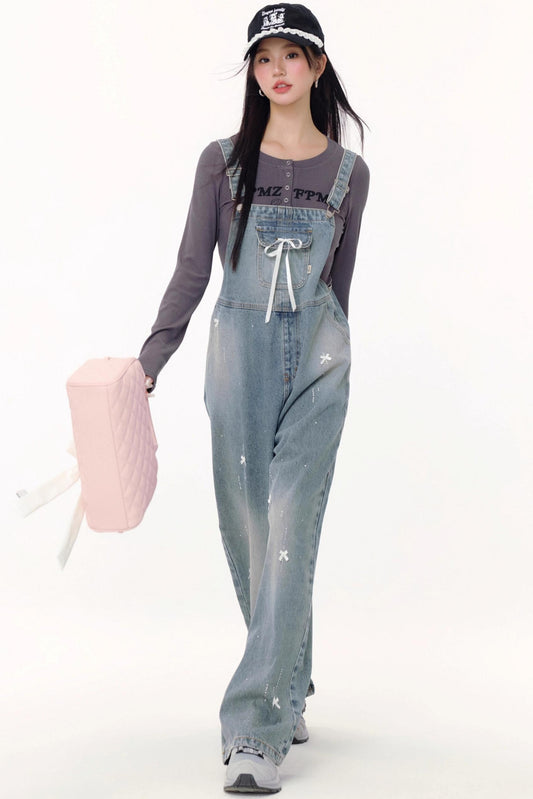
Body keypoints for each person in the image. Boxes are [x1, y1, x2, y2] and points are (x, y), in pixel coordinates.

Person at [138, 4, 370, 793]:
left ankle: (254, 727)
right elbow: (191, 271)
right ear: (253, 72)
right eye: (263, 58)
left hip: (318, 363)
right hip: (236, 360)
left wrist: (330, 348)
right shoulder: (220, 164)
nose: (277, 70)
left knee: (290, 530)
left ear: (317, 66)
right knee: (250, 530)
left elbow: (339, 285)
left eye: (291, 56)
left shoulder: (348, 174)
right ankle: (288, 681)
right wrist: (151, 360)